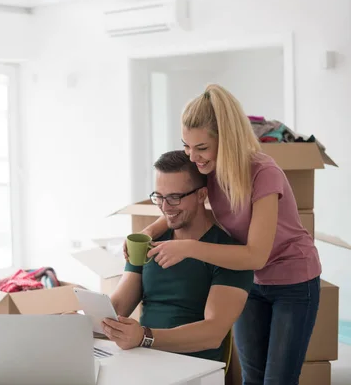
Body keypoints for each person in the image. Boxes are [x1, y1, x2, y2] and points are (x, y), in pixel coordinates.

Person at [125, 84, 321, 385]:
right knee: (251, 376)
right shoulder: (207, 169)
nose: (193, 157)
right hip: (250, 278)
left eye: (201, 148)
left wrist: (189, 248)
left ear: (227, 140)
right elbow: (183, 200)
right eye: (187, 146)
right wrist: (152, 228)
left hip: (292, 281)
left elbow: (256, 254)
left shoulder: (263, 174)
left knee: (278, 380)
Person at [103, 150, 253, 363]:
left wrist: (145, 337)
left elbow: (212, 334)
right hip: (144, 361)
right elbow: (118, 307)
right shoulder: (149, 241)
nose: (165, 208)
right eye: (159, 197)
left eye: (174, 197)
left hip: (194, 370)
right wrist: (79, 323)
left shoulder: (228, 253)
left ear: (201, 195)